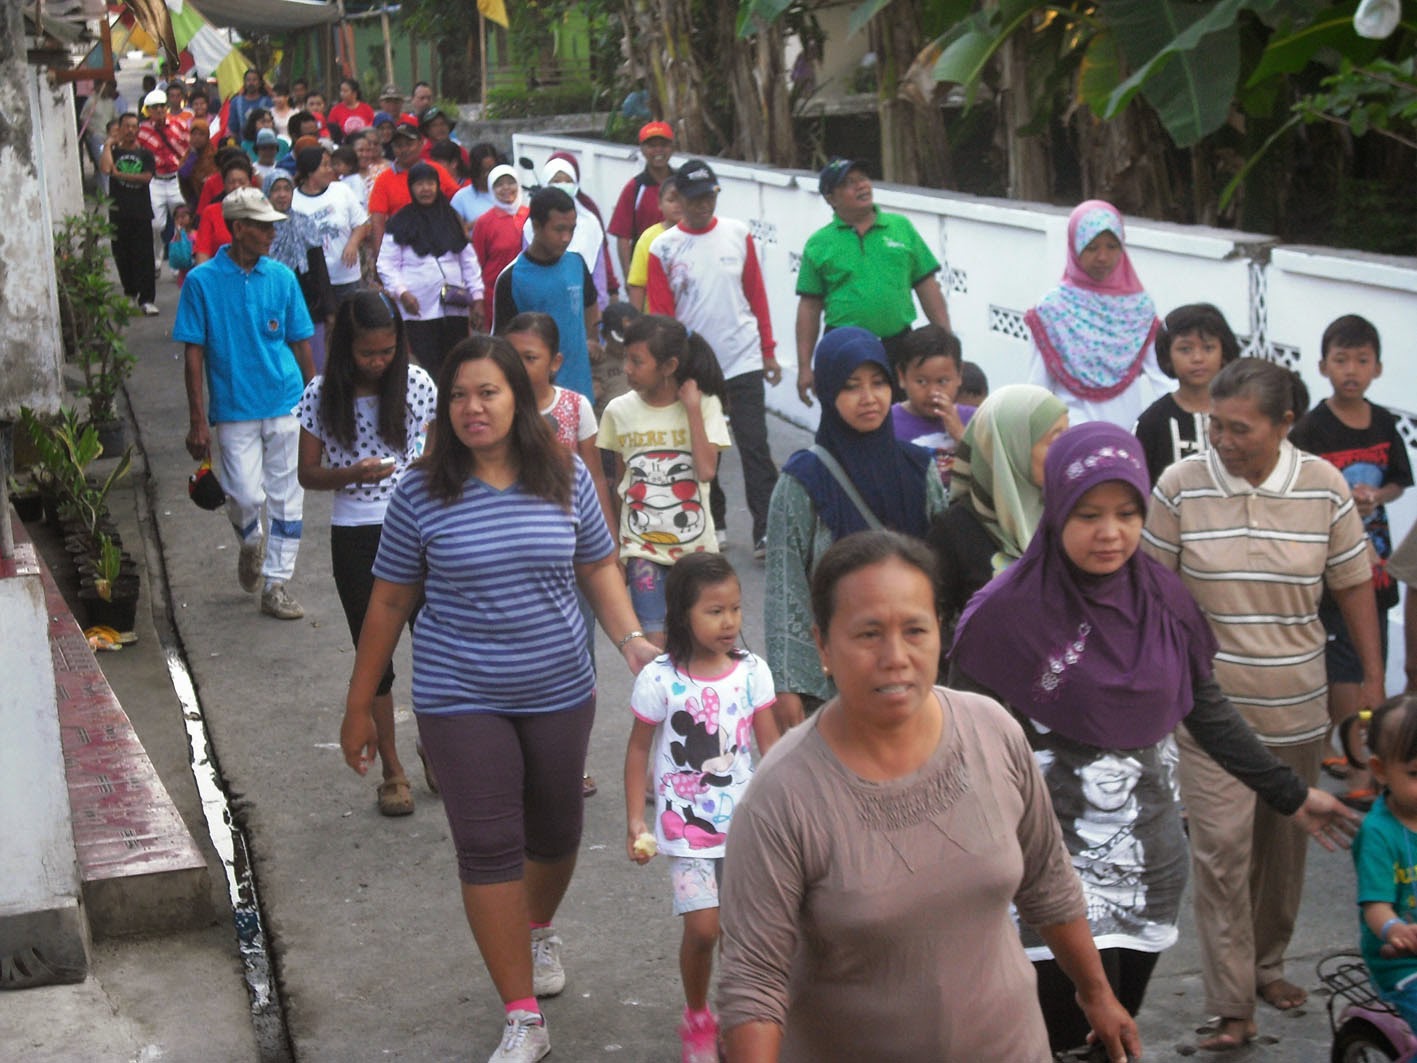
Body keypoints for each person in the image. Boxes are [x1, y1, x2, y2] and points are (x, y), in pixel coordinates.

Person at [950, 421, 1360, 1054]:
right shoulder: (1004, 614)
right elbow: (960, 749)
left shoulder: (1163, 598)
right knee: (1066, 1029)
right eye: (1088, 514)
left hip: (1145, 863)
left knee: (1112, 1029)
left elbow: (1207, 707)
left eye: (1126, 513)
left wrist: (1290, 794)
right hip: (1041, 864)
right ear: (1056, 508)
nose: (1109, 533)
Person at [340, 334, 657, 1063]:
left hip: (558, 687)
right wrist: (360, 704)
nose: (471, 407)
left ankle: (534, 926)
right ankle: (522, 1016)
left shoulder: (564, 474)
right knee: (486, 846)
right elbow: (388, 602)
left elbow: (598, 564)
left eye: (487, 392)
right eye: (457, 395)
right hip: (459, 693)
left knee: (557, 832)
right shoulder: (421, 490)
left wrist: (632, 641)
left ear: (518, 396)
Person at [717, 530, 1142, 1062]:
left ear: (939, 632)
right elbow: (753, 983)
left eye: (914, 630)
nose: (895, 656)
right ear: (823, 645)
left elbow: (1048, 882)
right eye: (868, 634)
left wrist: (1096, 994)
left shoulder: (992, 731)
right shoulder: (781, 798)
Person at [1141, 356, 1385, 1050]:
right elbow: (1154, 594)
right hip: (1209, 716)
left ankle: (1266, 965)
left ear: (1284, 424)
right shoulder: (1179, 485)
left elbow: (1351, 586)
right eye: (1213, 425)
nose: (1221, 439)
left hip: (1297, 707)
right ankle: (1230, 1003)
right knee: (1219, 852)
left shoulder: (1324, 488)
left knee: (1281, 855)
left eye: (1238, 428)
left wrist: (1370, 681)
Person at [624, 552, 779, 1063]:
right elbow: (638, 749)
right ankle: (697, 1016)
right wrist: (634, 820)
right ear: (682, 614)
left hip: (749, 827)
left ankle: (742, 1018)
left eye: (735, 608)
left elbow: (774, 750)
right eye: (715, 611)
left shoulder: (753, 672)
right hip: (685, 830)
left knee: (745, 931)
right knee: (704, 928)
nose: (730, 621)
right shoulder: (660, 679)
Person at [764, 328, 944, 730]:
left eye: (878, 383)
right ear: (828, 393)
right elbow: (785, 585)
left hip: (910, 668)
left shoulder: (919, 469)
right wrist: (789, 683)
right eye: (851, 386)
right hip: (835, 682)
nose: (869, 398)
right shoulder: (803, 480)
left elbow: (941, 571)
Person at [298, 291, 435, 816]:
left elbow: (441, 454)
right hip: (356, 533)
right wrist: (352, 474)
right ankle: (393, 771)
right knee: (373, 657)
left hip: (420, 530)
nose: (378, 362)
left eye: (386, 351)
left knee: (437, 645)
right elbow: (307, 475)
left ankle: (435, 744)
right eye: (367, 354)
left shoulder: (419, 385)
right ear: (344, 348)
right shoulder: (319, 395)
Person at [174, 187, 316, 620]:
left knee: (288, 498)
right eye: (263, 226)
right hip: (234, 406)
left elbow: (300, 342)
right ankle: (250, 543)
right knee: (243, 496)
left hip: (286, 400)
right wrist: (198, 419)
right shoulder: (202, 282)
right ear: (238, 229)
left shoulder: (282, 277)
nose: (272, 233)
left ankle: (277, 584)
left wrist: (316, 402)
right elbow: (193, 353)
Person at [1291, 314, 1412, 807]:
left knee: (1370, 664)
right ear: (1323, 366)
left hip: (1378, 572)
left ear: (1378, 368)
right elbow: (1298, 489)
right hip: (1331, 573)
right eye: (1341, 360)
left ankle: (1352, 750)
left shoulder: (1384, 422)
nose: (1351, 370)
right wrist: (1340, 500)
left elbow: (1399, 480)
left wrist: (1376, 495)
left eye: (1362, 360)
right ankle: (1361, 767)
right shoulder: (1312, 428)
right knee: (1341, 670)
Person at [647, 159, 781, 557]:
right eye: (694, 198)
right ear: (680, 199)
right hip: (695, 366)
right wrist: (668, 368)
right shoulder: (663, 248)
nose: (703, 205)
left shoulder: (739, 235)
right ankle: (714, 521)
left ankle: (765, 529)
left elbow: (756, 295)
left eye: (709, 196)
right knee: (705, 448)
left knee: (754, 445)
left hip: (743, 359)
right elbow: (662, 314)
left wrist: (769, 351)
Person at [599, 314, 731, 648]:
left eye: (637, 361)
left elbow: (706, 471)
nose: (627, 368)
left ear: (669, 366)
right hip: (642, 551)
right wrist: (616, 547)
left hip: (696, 551)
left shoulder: (705, 405)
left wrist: (691, 411)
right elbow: (618, 482)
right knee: (655, 650)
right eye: (626, 358)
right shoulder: (617, 411)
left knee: (701, 645)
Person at [794, 159, 950, 405]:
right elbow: (809, 307)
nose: (861, 186)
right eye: (848, 183)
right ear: (830, 198)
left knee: (901, 419)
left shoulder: (901, 227)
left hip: (898, 345)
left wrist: (946, 341)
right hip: (844, 346)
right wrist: (804, 367)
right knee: (848, 420)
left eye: (863, 179)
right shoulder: (819, 243)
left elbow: (927, 286)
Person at [926, 383, 1068, 643]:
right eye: (1055, 440)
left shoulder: (1068, 515)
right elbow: (933, 623)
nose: (1066, 452)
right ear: (1012, 446)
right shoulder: (954, 531)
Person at [1025, 199, 1169, 429]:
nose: (1103, 257)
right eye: (1092, 247)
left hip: (1127, 432)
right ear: (1074, 247)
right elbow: (1038, 387)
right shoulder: (1053, 310)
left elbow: (1162, 378)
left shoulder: (1138, 309)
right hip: (1072, 433)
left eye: (1112, 247)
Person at [493, 187, 601, 403]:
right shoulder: (511, 278)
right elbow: (501, 345)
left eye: (571, 230)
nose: (566, 238)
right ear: (536, 226)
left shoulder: (577, 264)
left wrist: (591, 340)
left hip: (581, 393)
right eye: (559, 229)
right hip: (536, 399)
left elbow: (590, 307)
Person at [377, 162, 483, 381]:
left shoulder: (451, 218)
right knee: (429, 365)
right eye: (419, 184)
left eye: (430, 183)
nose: (425, 189)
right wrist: (402, 293)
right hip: (418, 306)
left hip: (454, 305)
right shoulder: (400, 222)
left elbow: (468, 259)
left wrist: (478, 297)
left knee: (457, 363)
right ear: (411, 187)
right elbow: (386, 264)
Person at [1354, 694, 1417, 1033]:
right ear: (1380, 770)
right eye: (1416, 773)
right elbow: (1375, 906)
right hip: (1404, 963)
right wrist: (1397, 931)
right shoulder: (1379, 833)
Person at [1131, 302, 1241, 486]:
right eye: (1185, 349)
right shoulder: (1152, 422)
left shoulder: (1242, 414)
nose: (1197, 358)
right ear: (1167, 356)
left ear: (1224, 352)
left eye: (1208, 348)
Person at [263, 171, 334, 369]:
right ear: (267, 193)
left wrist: (329, 310)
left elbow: (319, 268)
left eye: (287, 189)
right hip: (273, 305)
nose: (282, 194)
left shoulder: (305, 223)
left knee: (313, 366)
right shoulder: (260, 229)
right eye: (276, 189)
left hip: (309, 305)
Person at [523, 156, 613, 310]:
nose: (563, 185)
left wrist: (601, 308)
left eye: (568, 180)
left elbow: (599, 274)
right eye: (557, 180)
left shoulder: (591, 222)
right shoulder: (531, 226)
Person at [890, 325, 975, 487]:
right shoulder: (888, 423)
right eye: (921, 381)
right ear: (902, 376)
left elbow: (992, 472)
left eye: (942, 381)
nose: (932, 392)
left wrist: (961, 435)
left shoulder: (976, 420)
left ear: (959, 375)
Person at [290, 146, 370, 304]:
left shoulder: (341, 190)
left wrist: (353, 244)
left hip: (345, 275)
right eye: (324, 165)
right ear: (310, 171)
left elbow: (362, 223)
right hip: (313, 280)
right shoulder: (294, 200)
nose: (330, 169)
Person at [367, 121, 460, 255]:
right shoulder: (384, 179)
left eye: (409, 144)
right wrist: (380, 256)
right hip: (402, 246)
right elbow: (377, 220)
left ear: (421, 144)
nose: (404, 150)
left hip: (438, 244)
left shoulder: (436, 171)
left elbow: (458, 201)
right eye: (398, 145)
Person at [100, 112, 158, 316]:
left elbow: (145, 177)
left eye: (135, 126)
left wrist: (120, 175)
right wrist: (108, 145)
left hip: (141, 212)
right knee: (122, 256)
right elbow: (106, 168)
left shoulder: (146, 154)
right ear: (120, 128)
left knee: (144, 256)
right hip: (119, 212)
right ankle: (130, 293)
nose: (131, 130)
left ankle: (148, 298)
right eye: (127, 126)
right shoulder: (113, 152)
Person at [608, 120, 675, 279]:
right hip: (646, 267)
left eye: (663, 145)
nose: (658, 150)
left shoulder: (683, 184)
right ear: (643, 150)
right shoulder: (634, 188)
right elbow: (623, 236)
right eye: (652, 146)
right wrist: (628, 277)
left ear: (672, 148)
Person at [469, 163, 527, 330]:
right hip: (496, 295)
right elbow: (476, 263)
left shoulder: (530, 216)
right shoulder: (484, 222)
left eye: (510, 182)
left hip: (527, 291)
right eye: (499, 184)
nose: (506, 188)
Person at [137, 88, 190, 267]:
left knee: (182, 220)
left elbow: (188, 149)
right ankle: (157, 256)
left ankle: (179, 258)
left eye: (161, 106)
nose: (159, 110)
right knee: (156, 225)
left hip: (176, 180)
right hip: (156, 181)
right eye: (154, 107)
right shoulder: (142, 131)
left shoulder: (179, 125)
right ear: (148, 110)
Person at [624, 178, 682, 312]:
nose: (677, 205)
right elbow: (637, 284)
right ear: (660, 203)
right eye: (671, 200)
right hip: (655, 320)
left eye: (681, 199)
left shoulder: (696, 236)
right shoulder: (648, 238)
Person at [192, 154, 253, 264]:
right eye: (231, 182)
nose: (236, 186)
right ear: (224, 185)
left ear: (250, 183)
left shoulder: (259, 211)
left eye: (241, 182)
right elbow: (202, 251)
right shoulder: (211, 212)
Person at [450, 142, 502, 231]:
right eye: (483, 170)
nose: (487, 175)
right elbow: (452, 233)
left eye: (491, 169)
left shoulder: (507, 193)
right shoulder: (461, 198)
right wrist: (477, 223)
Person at [224, 70, 271, 151]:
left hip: (263, 147)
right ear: (244, 82)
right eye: (248, 80)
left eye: (254, 80)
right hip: (241, 147)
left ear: (260, 83)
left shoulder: (268, 102)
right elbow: (233, 128)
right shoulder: (236, 102)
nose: (251, 83)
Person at [178, 116, 217, 207]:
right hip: (195, 202)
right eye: (194, 134)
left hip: (214, 201)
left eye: (201, 134)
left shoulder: (214, 155)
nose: (197, 138)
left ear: (207, 136)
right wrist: (193, 156)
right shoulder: (187, 156)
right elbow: (183, 174)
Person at [327, 78, 374, 144]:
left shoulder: (367, 108)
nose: (342, 94)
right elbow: (331, 130)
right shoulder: (335, 110)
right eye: (341, 91)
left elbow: (372, 126)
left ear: (354, 93)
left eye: (345, 91)